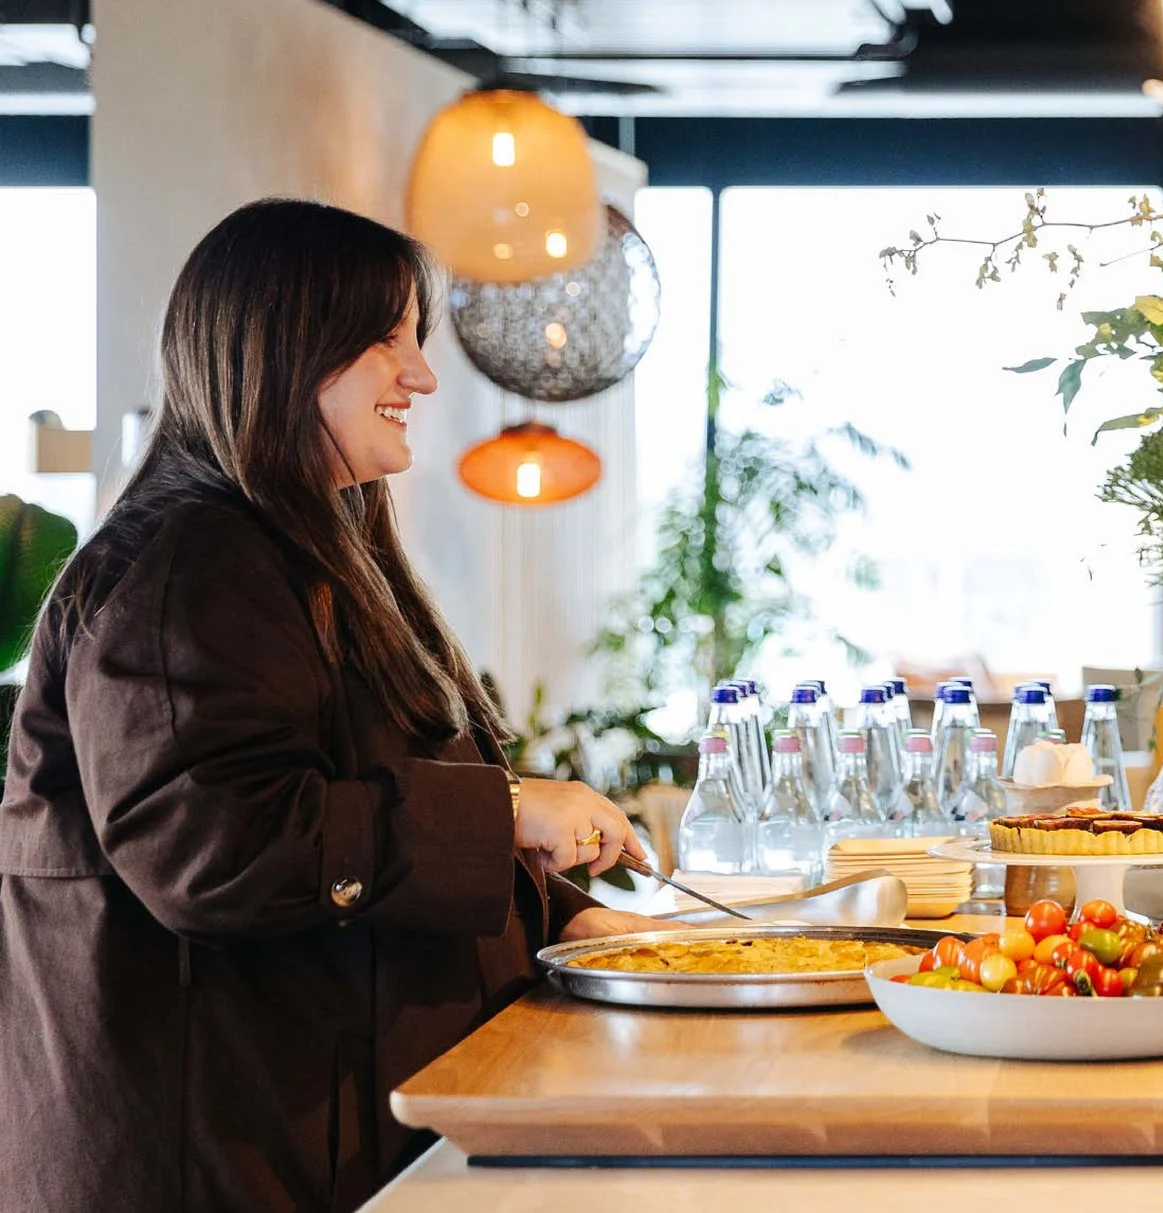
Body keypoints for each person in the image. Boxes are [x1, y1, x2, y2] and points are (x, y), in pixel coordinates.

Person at [0, 198, 679, 1212]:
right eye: (384, 340)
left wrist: (573, 922)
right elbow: (217, 847)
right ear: (281, 348)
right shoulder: (190, 561)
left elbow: (373, 807)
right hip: (214, 1162)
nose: (421, 376)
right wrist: (505, 810)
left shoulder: (310, 546)